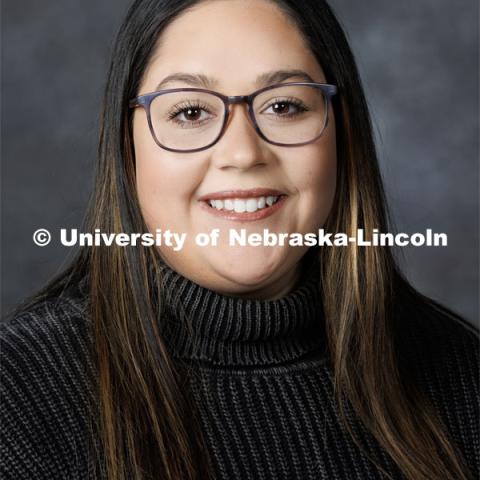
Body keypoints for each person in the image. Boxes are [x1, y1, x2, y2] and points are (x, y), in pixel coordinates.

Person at [1, 1, 478, 479]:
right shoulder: (17, 395)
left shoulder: (461, 373)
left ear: (342, 134)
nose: (243, 153)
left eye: (284, 106)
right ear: (127, 150)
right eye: (190, 112)